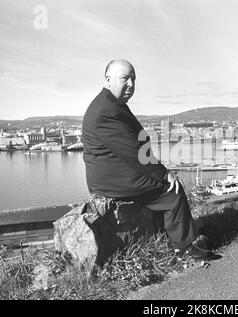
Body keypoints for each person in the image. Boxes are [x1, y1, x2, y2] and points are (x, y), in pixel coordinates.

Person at [82, 59, 213, 260]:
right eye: (125, 79)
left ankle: (169, 237)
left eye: (133, 79)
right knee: (173, 193)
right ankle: (185, 248)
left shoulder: (109, 104)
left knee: (164, 188)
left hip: (114, 172)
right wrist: (165, 174)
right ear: (108, 80)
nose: (131, 85)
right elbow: (134, 153)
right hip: (113, 179)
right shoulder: (106, 111)